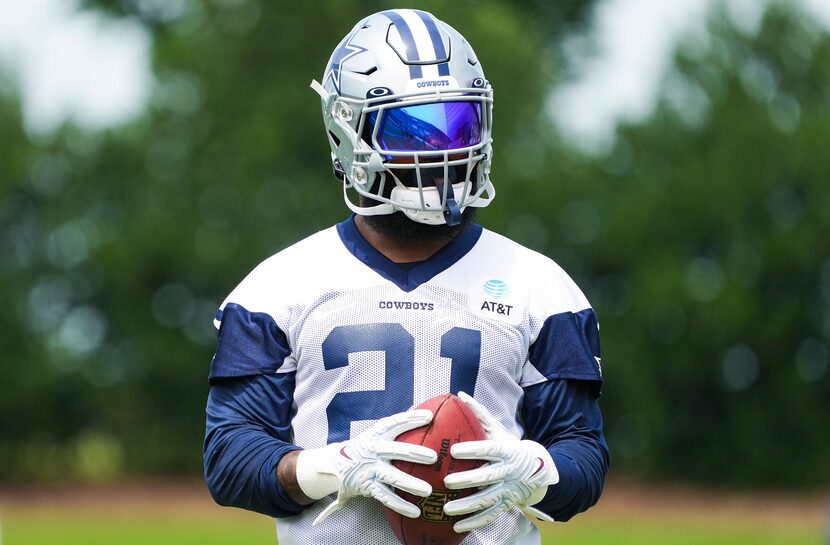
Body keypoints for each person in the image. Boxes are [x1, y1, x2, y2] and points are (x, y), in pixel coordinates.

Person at [204, 8, 608, 545]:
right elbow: (230, 458)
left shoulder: (539, 285)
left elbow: (582, 455)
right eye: (411, 128)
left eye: (458, 122)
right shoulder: (278, 288)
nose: (442, 151)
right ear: (349, 133)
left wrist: (533, 473)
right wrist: (336, 467)